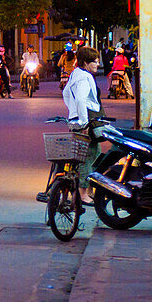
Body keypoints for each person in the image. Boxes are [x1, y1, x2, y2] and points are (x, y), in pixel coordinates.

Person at [61, 47, 102, 203]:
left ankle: (89, 189)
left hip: (75, 121)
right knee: (88, 156)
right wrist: (84, 121)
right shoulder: (85, 77)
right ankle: (83, 193)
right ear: (86, 62)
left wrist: (73, 113)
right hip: (86, 122)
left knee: (94, 155)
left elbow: (66, 93)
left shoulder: (75, 75)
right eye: (95, 62)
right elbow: (80, 100)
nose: (97, 64)